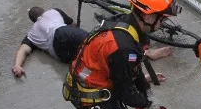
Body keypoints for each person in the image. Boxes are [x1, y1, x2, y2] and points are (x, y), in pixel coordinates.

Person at [13, 6, 174, 78]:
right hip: (63, 33)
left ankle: (137, 73)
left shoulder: (32, 33)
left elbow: (23, 50)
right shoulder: (53, 12)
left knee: (94, 63)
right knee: (101, 45)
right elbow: (72, 25)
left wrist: (18, 66)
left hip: (59, 54)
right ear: (43, 11)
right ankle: (145, 55)